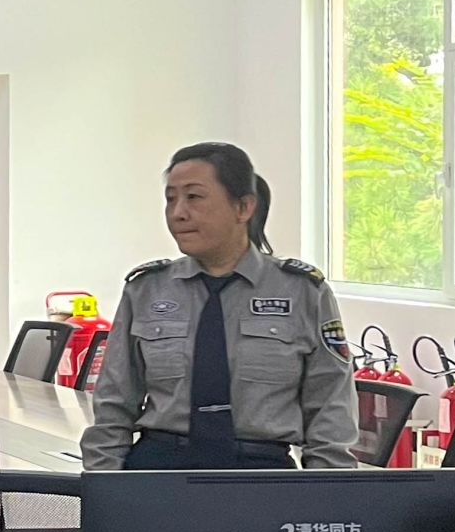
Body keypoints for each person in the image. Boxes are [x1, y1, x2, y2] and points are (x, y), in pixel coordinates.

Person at [81, 142, 358, 471]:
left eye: (194, 197)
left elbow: (330, 406)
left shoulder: (302, 291)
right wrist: (105, 483)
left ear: (243, 207)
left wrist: (326, 490)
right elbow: (113, 404)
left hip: (259, 470)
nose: (178, 212)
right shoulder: (146, 290)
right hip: (159, 467)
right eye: (170, 199)